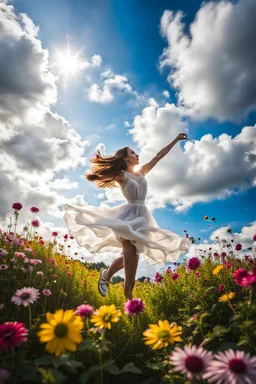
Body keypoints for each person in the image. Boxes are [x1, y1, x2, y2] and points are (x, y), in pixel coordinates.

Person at [63, 133, 190, 300]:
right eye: (133, 153)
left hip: (142, 218)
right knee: (129, 266)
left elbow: (158, 156)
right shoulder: (122, 176)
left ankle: (106, 275)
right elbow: (100, 175)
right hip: (128, 217)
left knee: (130, 258)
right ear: (125, 158)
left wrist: (175, 139)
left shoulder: (142, 172)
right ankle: (129, 302)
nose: (137, 155)